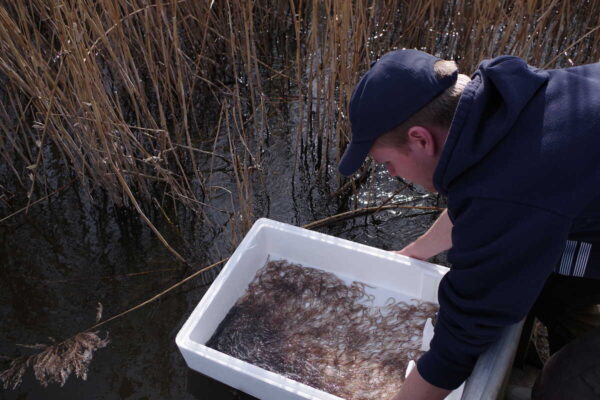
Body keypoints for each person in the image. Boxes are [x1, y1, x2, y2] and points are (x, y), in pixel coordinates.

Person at [338, 49, 600, 399]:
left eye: (387, 163)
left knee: (567, 383)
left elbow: (459, 340)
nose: (392, 174)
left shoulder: (510, 192)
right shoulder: (512, 106)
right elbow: (487, 201)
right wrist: (413, 254)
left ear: (420, 139)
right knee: (552, 289)